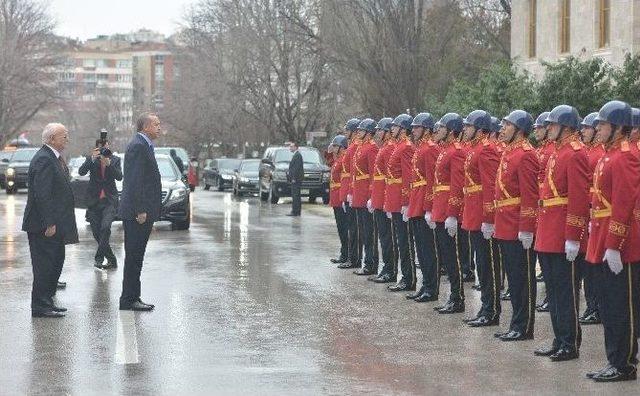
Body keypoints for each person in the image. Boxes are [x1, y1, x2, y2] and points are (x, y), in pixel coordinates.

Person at [586, 100, 640, 382]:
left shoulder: (626, 156)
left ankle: (625, 364)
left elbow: (623, 202)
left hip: (622, 242)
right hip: (602, 234)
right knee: (609, 305)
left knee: (623, 307)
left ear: (618, 127)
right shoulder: (609, 155)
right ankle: (613, 360)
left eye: (604, 124)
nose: (598, 128)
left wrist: (614, 243)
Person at [533, 105, 589, 362]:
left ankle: (569, 342)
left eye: (553, 125)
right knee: (554, 290)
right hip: (548, 228)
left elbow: (578, 198)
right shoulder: (558, 152)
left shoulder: (575, 154)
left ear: (566, 127)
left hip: (562, 230)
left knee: (566, 291)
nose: (548, 129)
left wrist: (573, 236)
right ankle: (559, 338)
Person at [22, 123, 79, 318]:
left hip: (56, 223)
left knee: (55, 262)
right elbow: (42, 194)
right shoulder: (44, 159)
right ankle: (40, 306)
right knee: (44, 266)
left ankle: (47, 301)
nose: (67, 140)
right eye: (64, 136)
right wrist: (49, 222)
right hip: (43, 225)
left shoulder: (53, 158)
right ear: (52, 138)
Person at [492, 110, 539, 342]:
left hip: (517, 224)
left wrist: (527, 227)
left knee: (522, 280)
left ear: (519, 129)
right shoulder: (510, 152)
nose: (502, 128)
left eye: (507, 125)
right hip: (505, 221)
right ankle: (516, 324)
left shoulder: (526, 154)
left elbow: (530, 194)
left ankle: (524, 326)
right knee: (513, 277)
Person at [459, 110, 502, 327]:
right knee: (481, 262)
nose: (464, 129)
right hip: (473, 211)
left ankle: (491, 310)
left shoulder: (486, 150)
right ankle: (486, 307)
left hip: (482, 214)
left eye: (468, 126)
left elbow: (490, 185)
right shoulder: (475, 148)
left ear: (479, 129)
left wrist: (489, 217)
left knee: (488, 264)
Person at [119, 113, 162, 311]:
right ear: (145, 127)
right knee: (134, 256)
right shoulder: (138, 146)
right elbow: (135, 181)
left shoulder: (143, 145)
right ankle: (128, 300)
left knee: (137, 256)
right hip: (137, 213)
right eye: (156, 124)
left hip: (141, 211)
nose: (159, 127)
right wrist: (141, 209)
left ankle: (133, 296)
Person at [429, 113, 466, 314]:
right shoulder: (445, 150)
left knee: (454, 257)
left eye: (442, 127)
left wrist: (452, 213)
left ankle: (458, 298)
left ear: (451, 131)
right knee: (447, 255)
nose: (438, 130)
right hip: (440, 208)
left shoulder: (456, 152)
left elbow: (457, 184)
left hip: (448, 210)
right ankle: (453, 296)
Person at [405, 112, 439, 303]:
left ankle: (431, 288)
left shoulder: (431, 149)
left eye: (418, 127)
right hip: (416, 201)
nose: (414, 130)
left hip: (423, 202)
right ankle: (425, 285)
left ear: (426, 129)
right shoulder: (420, 148)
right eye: (414, 127)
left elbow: (432, 180)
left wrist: (428, 206)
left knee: (427, 249)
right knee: (421, 248)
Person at [383, 114, 416, 292]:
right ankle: (405, 276)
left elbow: (407, 176)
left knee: (404, 241)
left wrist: (405, 201)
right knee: (399, 239)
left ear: (403, 129)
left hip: (400, 200)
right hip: (394, 199)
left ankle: (409, 278)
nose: (392, 130)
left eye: (395, 127)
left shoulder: (406, 147)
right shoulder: (399, 146)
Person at [79, 137, 122, 269]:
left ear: (109, 146)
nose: (103, 149)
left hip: (109, 200)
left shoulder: (115, 160)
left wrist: (109, 164)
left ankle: (99, 258)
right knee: (97, 233)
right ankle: (112, 259)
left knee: (105, 227)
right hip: (94, 201)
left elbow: (119, 177)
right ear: (96, 149)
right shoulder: (91, 159)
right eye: (100, 148)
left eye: (105, 147)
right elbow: (81, 172)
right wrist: (92, 159)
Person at [578, 112, 605, 326]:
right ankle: (591, 305)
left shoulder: (598, 154)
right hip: (589, 213)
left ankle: (596, 307)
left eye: (587, 128)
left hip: (594, 212)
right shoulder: (589, 153)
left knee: (594, 266)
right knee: (589, 264)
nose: (583, 132)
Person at [368, 118, 399, 283]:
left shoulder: (390, 148)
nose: (378, 132)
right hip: (379, 198)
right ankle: (386, 268)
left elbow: (391, 178)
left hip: (385, 198)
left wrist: (387, 200)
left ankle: (390, 270)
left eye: (381, 130)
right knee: (383, 236)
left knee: (388, 238)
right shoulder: (385, 148)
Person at [351, 119, 379, 275]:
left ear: (368, 133)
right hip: (358, 193)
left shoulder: (372, 148)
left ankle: (371, 264)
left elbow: (373, 174)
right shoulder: (362, 147)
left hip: (365, 195)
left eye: (361, 131)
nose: (359, 133)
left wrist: (370, 196)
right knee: (363, 231)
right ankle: (366, 262)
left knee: (369, 232)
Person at [533, 111, 554, 313]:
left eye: (540, 127)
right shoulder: (542, 150)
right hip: (542, 205)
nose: (537, 131)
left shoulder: (550, 151)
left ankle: (550, 295)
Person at [337, 119, 363, 269]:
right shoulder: (352, 146)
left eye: (347, 130)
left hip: (354, 189)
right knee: (351, 227)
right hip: (350, 189)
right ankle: (352, 257)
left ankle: (355, 258)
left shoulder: (355, 147)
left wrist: (350, 192)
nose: (345, 133)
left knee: (355, 228)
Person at [328, 136, 349, 264]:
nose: (333, 148)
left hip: (340, 196)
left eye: (336, 146)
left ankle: (346, 254)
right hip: (335, 197)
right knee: (340, 228)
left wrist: (343, 197)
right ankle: (343, 253)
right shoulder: (338, 160)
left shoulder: (343, 160)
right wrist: (330, 152)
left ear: (342, 147)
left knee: (344, 227)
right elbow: (331, 163)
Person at [287, 141, 304, 217]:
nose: (290, 148)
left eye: (291, 146)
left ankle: (295, 211)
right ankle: (296, 211)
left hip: (296, 179)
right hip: (295, 179)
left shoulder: (297, 155)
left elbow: (296, 168)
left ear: (296, 147)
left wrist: (293, 178)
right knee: (295, 195)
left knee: (296, 195)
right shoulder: (296, 155)